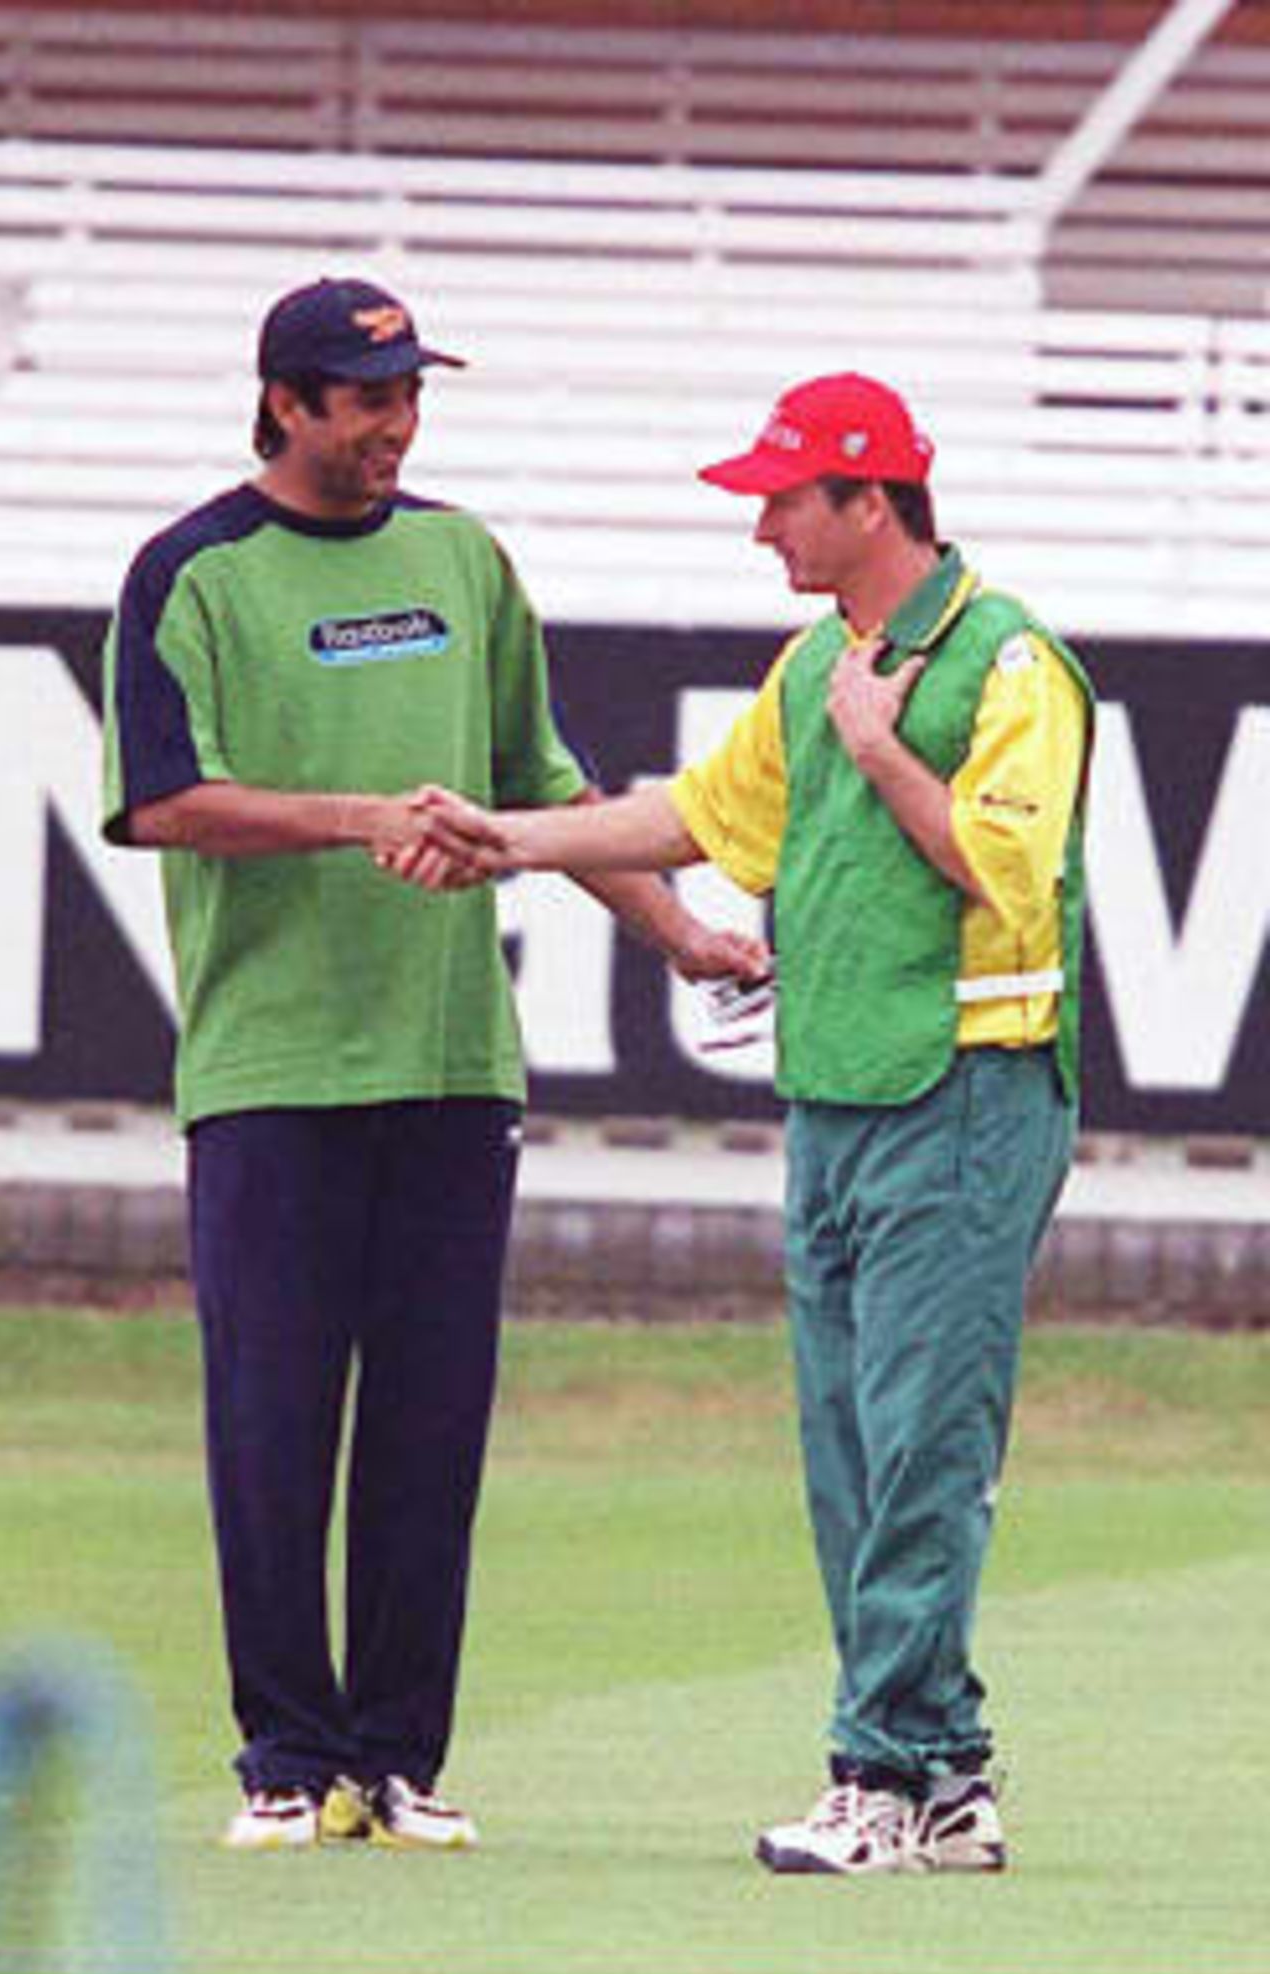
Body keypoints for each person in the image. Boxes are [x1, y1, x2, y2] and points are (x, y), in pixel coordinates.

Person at [396, 372, 1095, 1878]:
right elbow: (699, 821)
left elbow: (1006, 875)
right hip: (841, 1094)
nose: (763, 523)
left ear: (871, 501)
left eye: (786, 497)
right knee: (855, 1450)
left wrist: (886, 742)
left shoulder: (1009, 660)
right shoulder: (814, 668)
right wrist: (512, 839)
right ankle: (946, 1774)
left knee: (916, 1447)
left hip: (965, 1092)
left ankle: (888, 1773)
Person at [100, 275, 766, 1853]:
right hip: (270, 1070)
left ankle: (396, 1757)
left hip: (456, 1066)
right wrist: (360, 813)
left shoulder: (465, 560)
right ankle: (283, 1753)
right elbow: (161, 800)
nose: (394, 424)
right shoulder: (189, 574)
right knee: (271, 1426)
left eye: (409, 396)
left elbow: (536, 783)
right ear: (284, 402)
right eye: (362, 397)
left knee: (428, 1427)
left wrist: (676, 930)